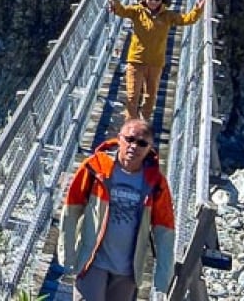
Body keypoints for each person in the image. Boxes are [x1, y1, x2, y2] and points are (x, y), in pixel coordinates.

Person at [57, 118, 175, 301]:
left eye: (142, 143)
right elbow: (71, 211)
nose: (134, 146)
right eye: (129, 139)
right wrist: (68, 255)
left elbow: (164, 231)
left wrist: (162, 280)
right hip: (93, 261)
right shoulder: (95, 167)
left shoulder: (156, 182)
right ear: (119, 138)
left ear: (150, 148)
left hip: (128, 271)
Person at [110, 0, 205, 121]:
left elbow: (186, 20)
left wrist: (197, 10)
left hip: (155, 62)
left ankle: (144, 121)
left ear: (162, 1)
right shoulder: (137, 11)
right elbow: (120, 11)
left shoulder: (168, 16)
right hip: (136, 60)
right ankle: (130, 124)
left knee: (150, 96)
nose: (153, 2)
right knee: (132, 95)